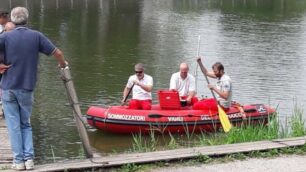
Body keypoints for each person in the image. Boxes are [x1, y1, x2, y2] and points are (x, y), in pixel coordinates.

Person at [0, 7, 68, 170]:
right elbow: (57, 53)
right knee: (25, 124)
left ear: (13, 20)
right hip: (27, 87)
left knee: (13, 125)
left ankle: (18, 161)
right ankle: (29, 160)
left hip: (8, 87)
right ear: (27, 19)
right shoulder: (36, 36)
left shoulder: (5, 36)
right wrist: (63, 65)